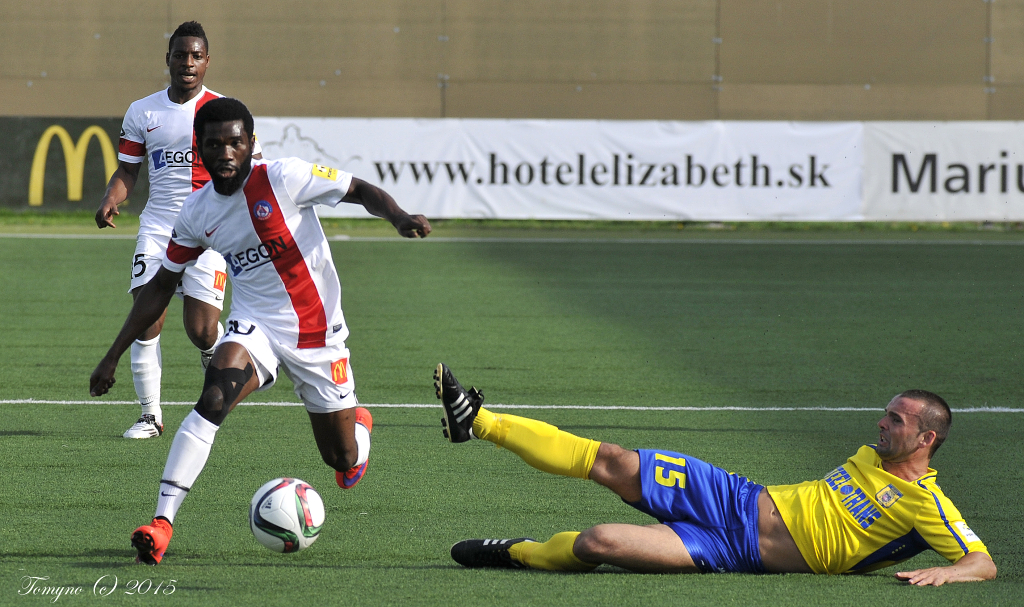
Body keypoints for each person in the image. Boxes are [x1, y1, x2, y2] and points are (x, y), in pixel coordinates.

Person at [89, 97, 431, 565]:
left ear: (251, 143)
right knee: (213, 397)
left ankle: (359, 428)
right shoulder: (196, 212)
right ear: (199, 148)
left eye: (235, 142)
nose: (225, 152)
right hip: (256, 327)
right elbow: (162, 285)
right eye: (214, 144)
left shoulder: (285, 177)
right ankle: (162, 523)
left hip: (317, 334)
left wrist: (398, 216)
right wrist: (112, 354)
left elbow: (358, 189)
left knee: (342, 460)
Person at [433, 364, 997, 586]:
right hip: (732, 496)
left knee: (597, 542)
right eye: (886, 414)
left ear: (926, 439)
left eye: (896, 420)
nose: (881, 424)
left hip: (732, 551)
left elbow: (983, 563)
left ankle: (517, 553)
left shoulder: (927, 504)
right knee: (616, 461)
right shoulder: (872, 456)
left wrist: (946, 574)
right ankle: (478, 421)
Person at [95, 21, 263, 439]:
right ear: (167, 59)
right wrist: (112, 197)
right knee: (146, 317)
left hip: (211, 230)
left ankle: (217, 358)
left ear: (207, 61)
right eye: (180, 55)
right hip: (158, 228)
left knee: (202, 330)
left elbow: (254, 170)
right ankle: (149, 416)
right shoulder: (143, 111)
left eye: (196, 56)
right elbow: (128, 170)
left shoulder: (225, 111)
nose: (188, 62)